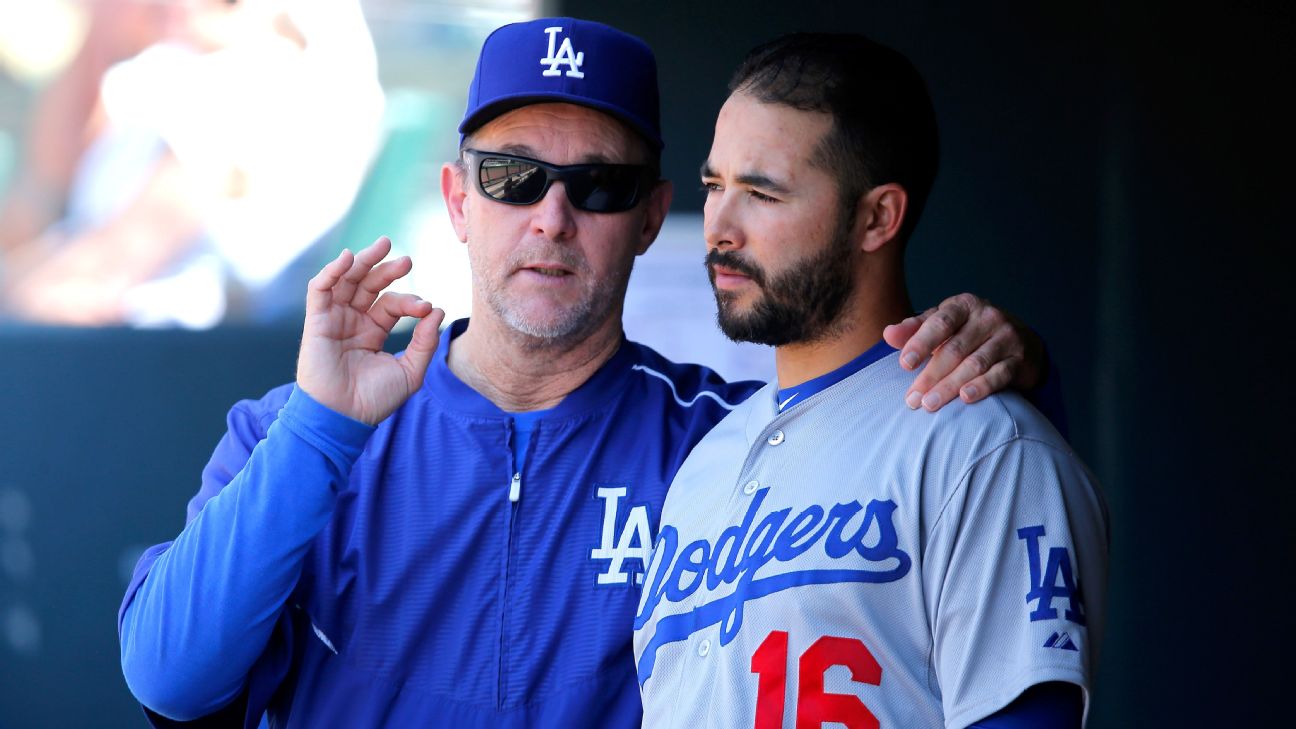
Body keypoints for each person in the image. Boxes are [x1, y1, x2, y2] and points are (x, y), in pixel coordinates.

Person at [119, 18, 1058, 728]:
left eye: (597, 186)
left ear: (650, 217)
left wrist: (1009, 366)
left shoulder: (724, 445)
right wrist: (323, 426)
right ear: (456, 197)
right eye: (512, 178)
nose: (552, 217)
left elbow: (932, 474)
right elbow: (168, 674)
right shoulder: (305, 431)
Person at [632, 32, 1108, 729]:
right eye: (713, 186)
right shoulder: (704, 466)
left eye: (762, 193)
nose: (719, 227)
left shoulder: (985, 447)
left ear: (877, 216)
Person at [0, 0, 383, 327]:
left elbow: (96, 282)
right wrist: (99, 36)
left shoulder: (247, 82)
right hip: (139, 350)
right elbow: (38, 207)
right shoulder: (178, 70)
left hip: (161, 362)